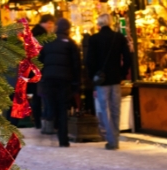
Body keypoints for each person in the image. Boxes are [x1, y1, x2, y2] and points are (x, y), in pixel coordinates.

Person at [86, 13, 131, 150]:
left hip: (101, 80)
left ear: (99, 23)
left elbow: (89, 61)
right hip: (116, 79)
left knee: (105, 110)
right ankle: (115, 139)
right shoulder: (119, 37)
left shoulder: (94, 39)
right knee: (116, 109)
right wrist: (122, 73)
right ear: (111, 22)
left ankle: (111, 140)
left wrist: (93, 77)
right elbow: (128, 57)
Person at [38, 18, 81, 147]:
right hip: (64, 80)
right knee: (63, 108)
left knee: (53, 105)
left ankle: (53, 122)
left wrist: (42, 77)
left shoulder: (48, 42)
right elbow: (76, 64)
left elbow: (40, 61)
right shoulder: (71, 43)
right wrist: (76, 83)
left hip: (49, 79)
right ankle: (63, 139)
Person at [30, 14, 55, 130]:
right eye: (49, 23)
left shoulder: (34, 32)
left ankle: (38, 121)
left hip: (34, 67)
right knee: (41, 95)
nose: (50, 26)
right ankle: (42, 121)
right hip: (39, 68)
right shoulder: (41, 34)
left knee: (37, 95)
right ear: (45, 22)